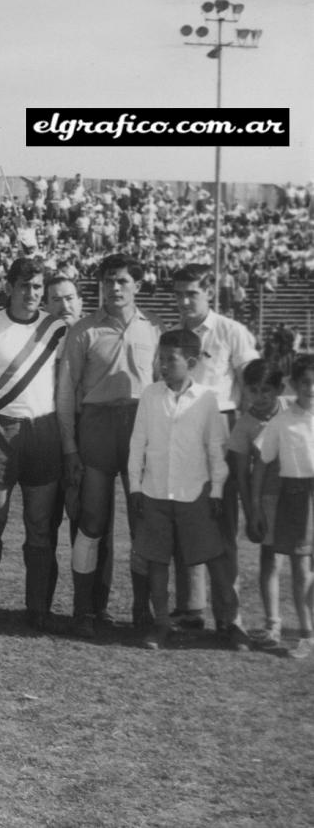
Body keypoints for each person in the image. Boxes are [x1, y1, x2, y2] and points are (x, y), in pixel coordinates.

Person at [57, 254, 163, 638]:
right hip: (97, 426)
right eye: (107, 282)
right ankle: (84, 609)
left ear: (136, 284)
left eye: (121, 281)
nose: (113, 288)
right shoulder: (83, 331)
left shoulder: (154, 329)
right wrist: (70, 446)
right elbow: (66, 393)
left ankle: (141, 609)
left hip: (141, 428)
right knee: (92, 521)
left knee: (142, 522)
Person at [127, 329, 245, 651]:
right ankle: (161, 624)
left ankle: (231, 623)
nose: (162, 365)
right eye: (160, 358)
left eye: (170, 359)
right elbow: (138, 442)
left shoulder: (208, 399)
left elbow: (215, 447)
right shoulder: (150, 395)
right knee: (156, 561)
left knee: (216, 558)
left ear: (190, 362)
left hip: (195, 493)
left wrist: (217, 490)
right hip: (154, 493)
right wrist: (135, 487)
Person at [0, 258, 66, 633]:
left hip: (43, 431)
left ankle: (37, 608)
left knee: (40, 527)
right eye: (24, 286)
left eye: (38, 287)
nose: (31, 294)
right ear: (9, 287)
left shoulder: (56, 328)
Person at [171, 264, 259, 634]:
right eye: (178, 294)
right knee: (184, 519)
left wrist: (251, 439)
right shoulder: (171, 334)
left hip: (222, 427)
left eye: (192, 292)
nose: (185, 300)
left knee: (222, 523)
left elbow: (253, 387)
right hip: (180, 428)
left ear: (209, 292)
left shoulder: (231, 332)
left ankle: (229, 615)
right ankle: (191, 608)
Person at [252, 354, 314, 659]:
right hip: (296, 497)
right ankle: (306, 635)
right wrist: (253, 503)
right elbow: (262, 464)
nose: (312, 388)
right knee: (301, 569)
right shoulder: (282, 422)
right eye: (306, 382)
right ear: (294, 384)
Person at [229, 360, 286, 647]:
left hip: (303, 497)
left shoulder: (295, 411)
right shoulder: (245, 424)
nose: (260, 396)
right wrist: (251, 512)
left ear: (279, 389)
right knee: (271, 559)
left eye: (267, 390)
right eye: (254, 390)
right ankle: (273, 624)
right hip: (267, 498)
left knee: (306, 561)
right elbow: (240, 474)